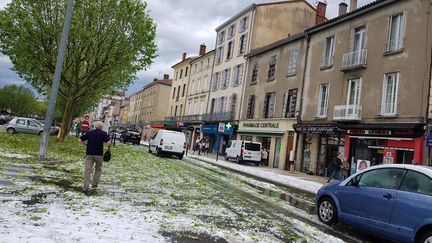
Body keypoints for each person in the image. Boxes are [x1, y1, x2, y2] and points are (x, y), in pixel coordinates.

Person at [79, 121, 112, 193]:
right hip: (99, 154)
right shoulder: (103, 134)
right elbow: (109, 142)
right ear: (101, 127)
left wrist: (86, 145)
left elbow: (80, 140)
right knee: (98, 169)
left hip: (89, 154)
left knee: (87, 170)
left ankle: (85, 186)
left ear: (95, 126)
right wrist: (108, 148)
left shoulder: (89, 132)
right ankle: (94, 184)